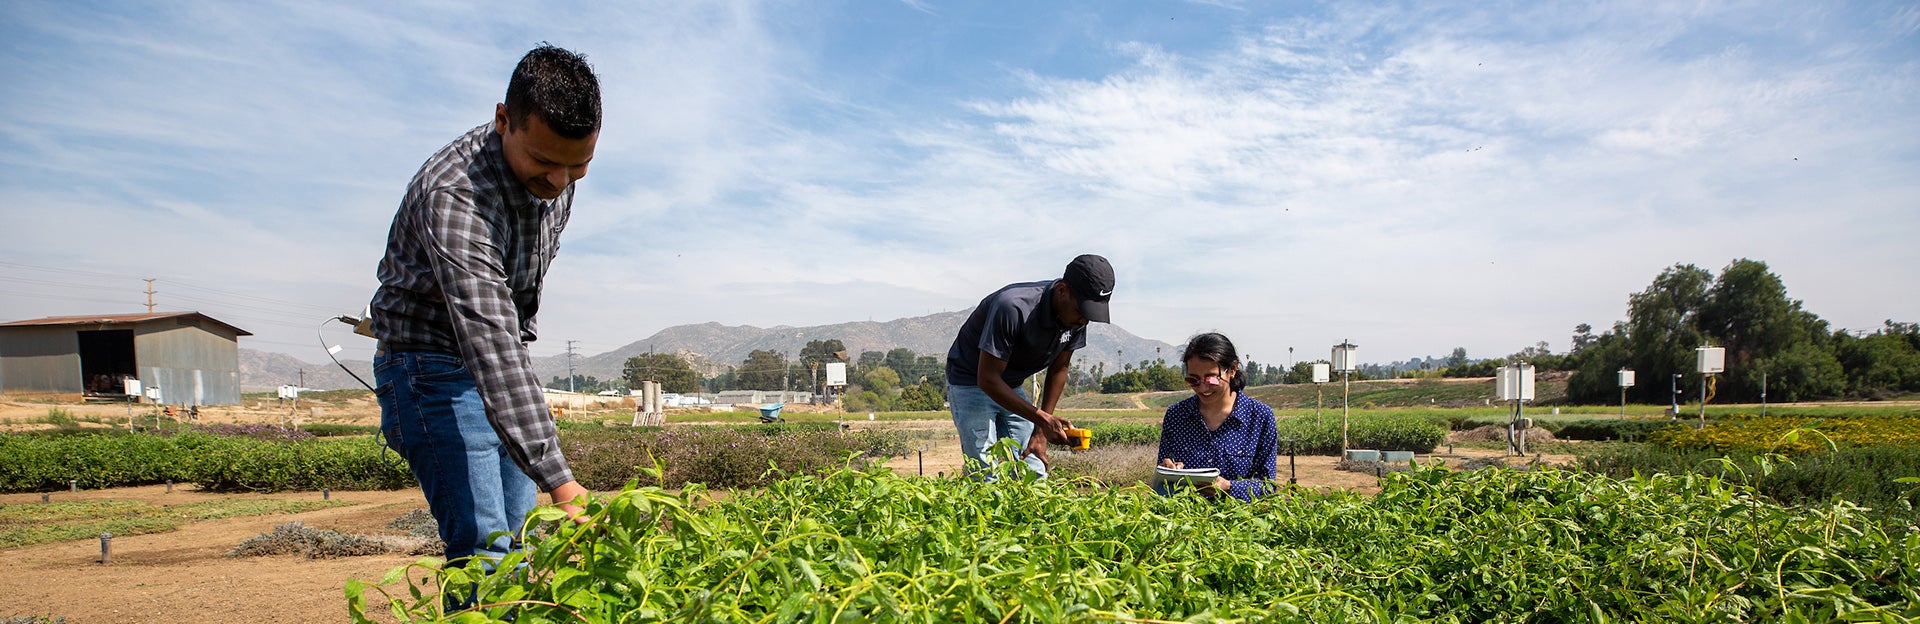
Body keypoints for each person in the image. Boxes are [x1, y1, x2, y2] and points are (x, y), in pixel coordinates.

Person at [367, 44, 600, 572]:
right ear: (503, 120)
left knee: (517, 545)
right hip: (431, 367)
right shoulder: (454, 194)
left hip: (494, 359)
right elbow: (489, 336)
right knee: (485, 553)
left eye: (579, 167)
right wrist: (563, 485)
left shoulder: (554, 173)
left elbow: (513, 318)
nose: (560, 183)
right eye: (544, 162)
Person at [945, 254, 1115, 477]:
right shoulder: (1012, 307)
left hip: (1009, 383)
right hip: (971, 380)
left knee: (1033, 467)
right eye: (1082, 311)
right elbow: (987, 379)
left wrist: (1041, 431)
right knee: (985, 472)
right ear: (1062, 291)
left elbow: (1060, 367)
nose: (1085, 321)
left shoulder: (1076, 318)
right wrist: (1043, 419)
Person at [1155, 332, 1277, 501]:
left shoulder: (1260, 417)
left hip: (1240, 522)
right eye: (1194, 380)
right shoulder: (1176, 416)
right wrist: (1167, 470)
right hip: (1186, 522)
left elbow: (1268, 485)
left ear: (1232, 370)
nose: (1203, 388)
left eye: (1211, 379)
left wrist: (1229, 487)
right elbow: (1162, 484)